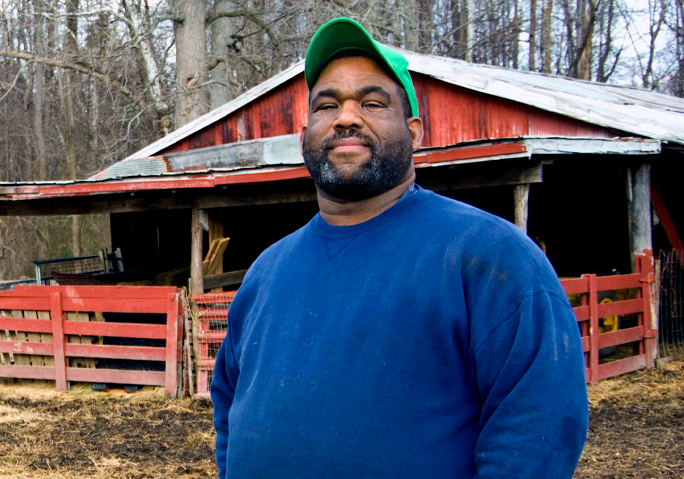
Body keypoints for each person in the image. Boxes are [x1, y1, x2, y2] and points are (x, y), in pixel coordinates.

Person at [210, 18, 588, 478]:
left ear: (414, 132)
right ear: (303, 136)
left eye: (371, 102)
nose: (346, 117)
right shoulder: (267, 272)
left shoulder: (489, 256)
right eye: (327, 105)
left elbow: (537, 430)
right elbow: (228, 404)